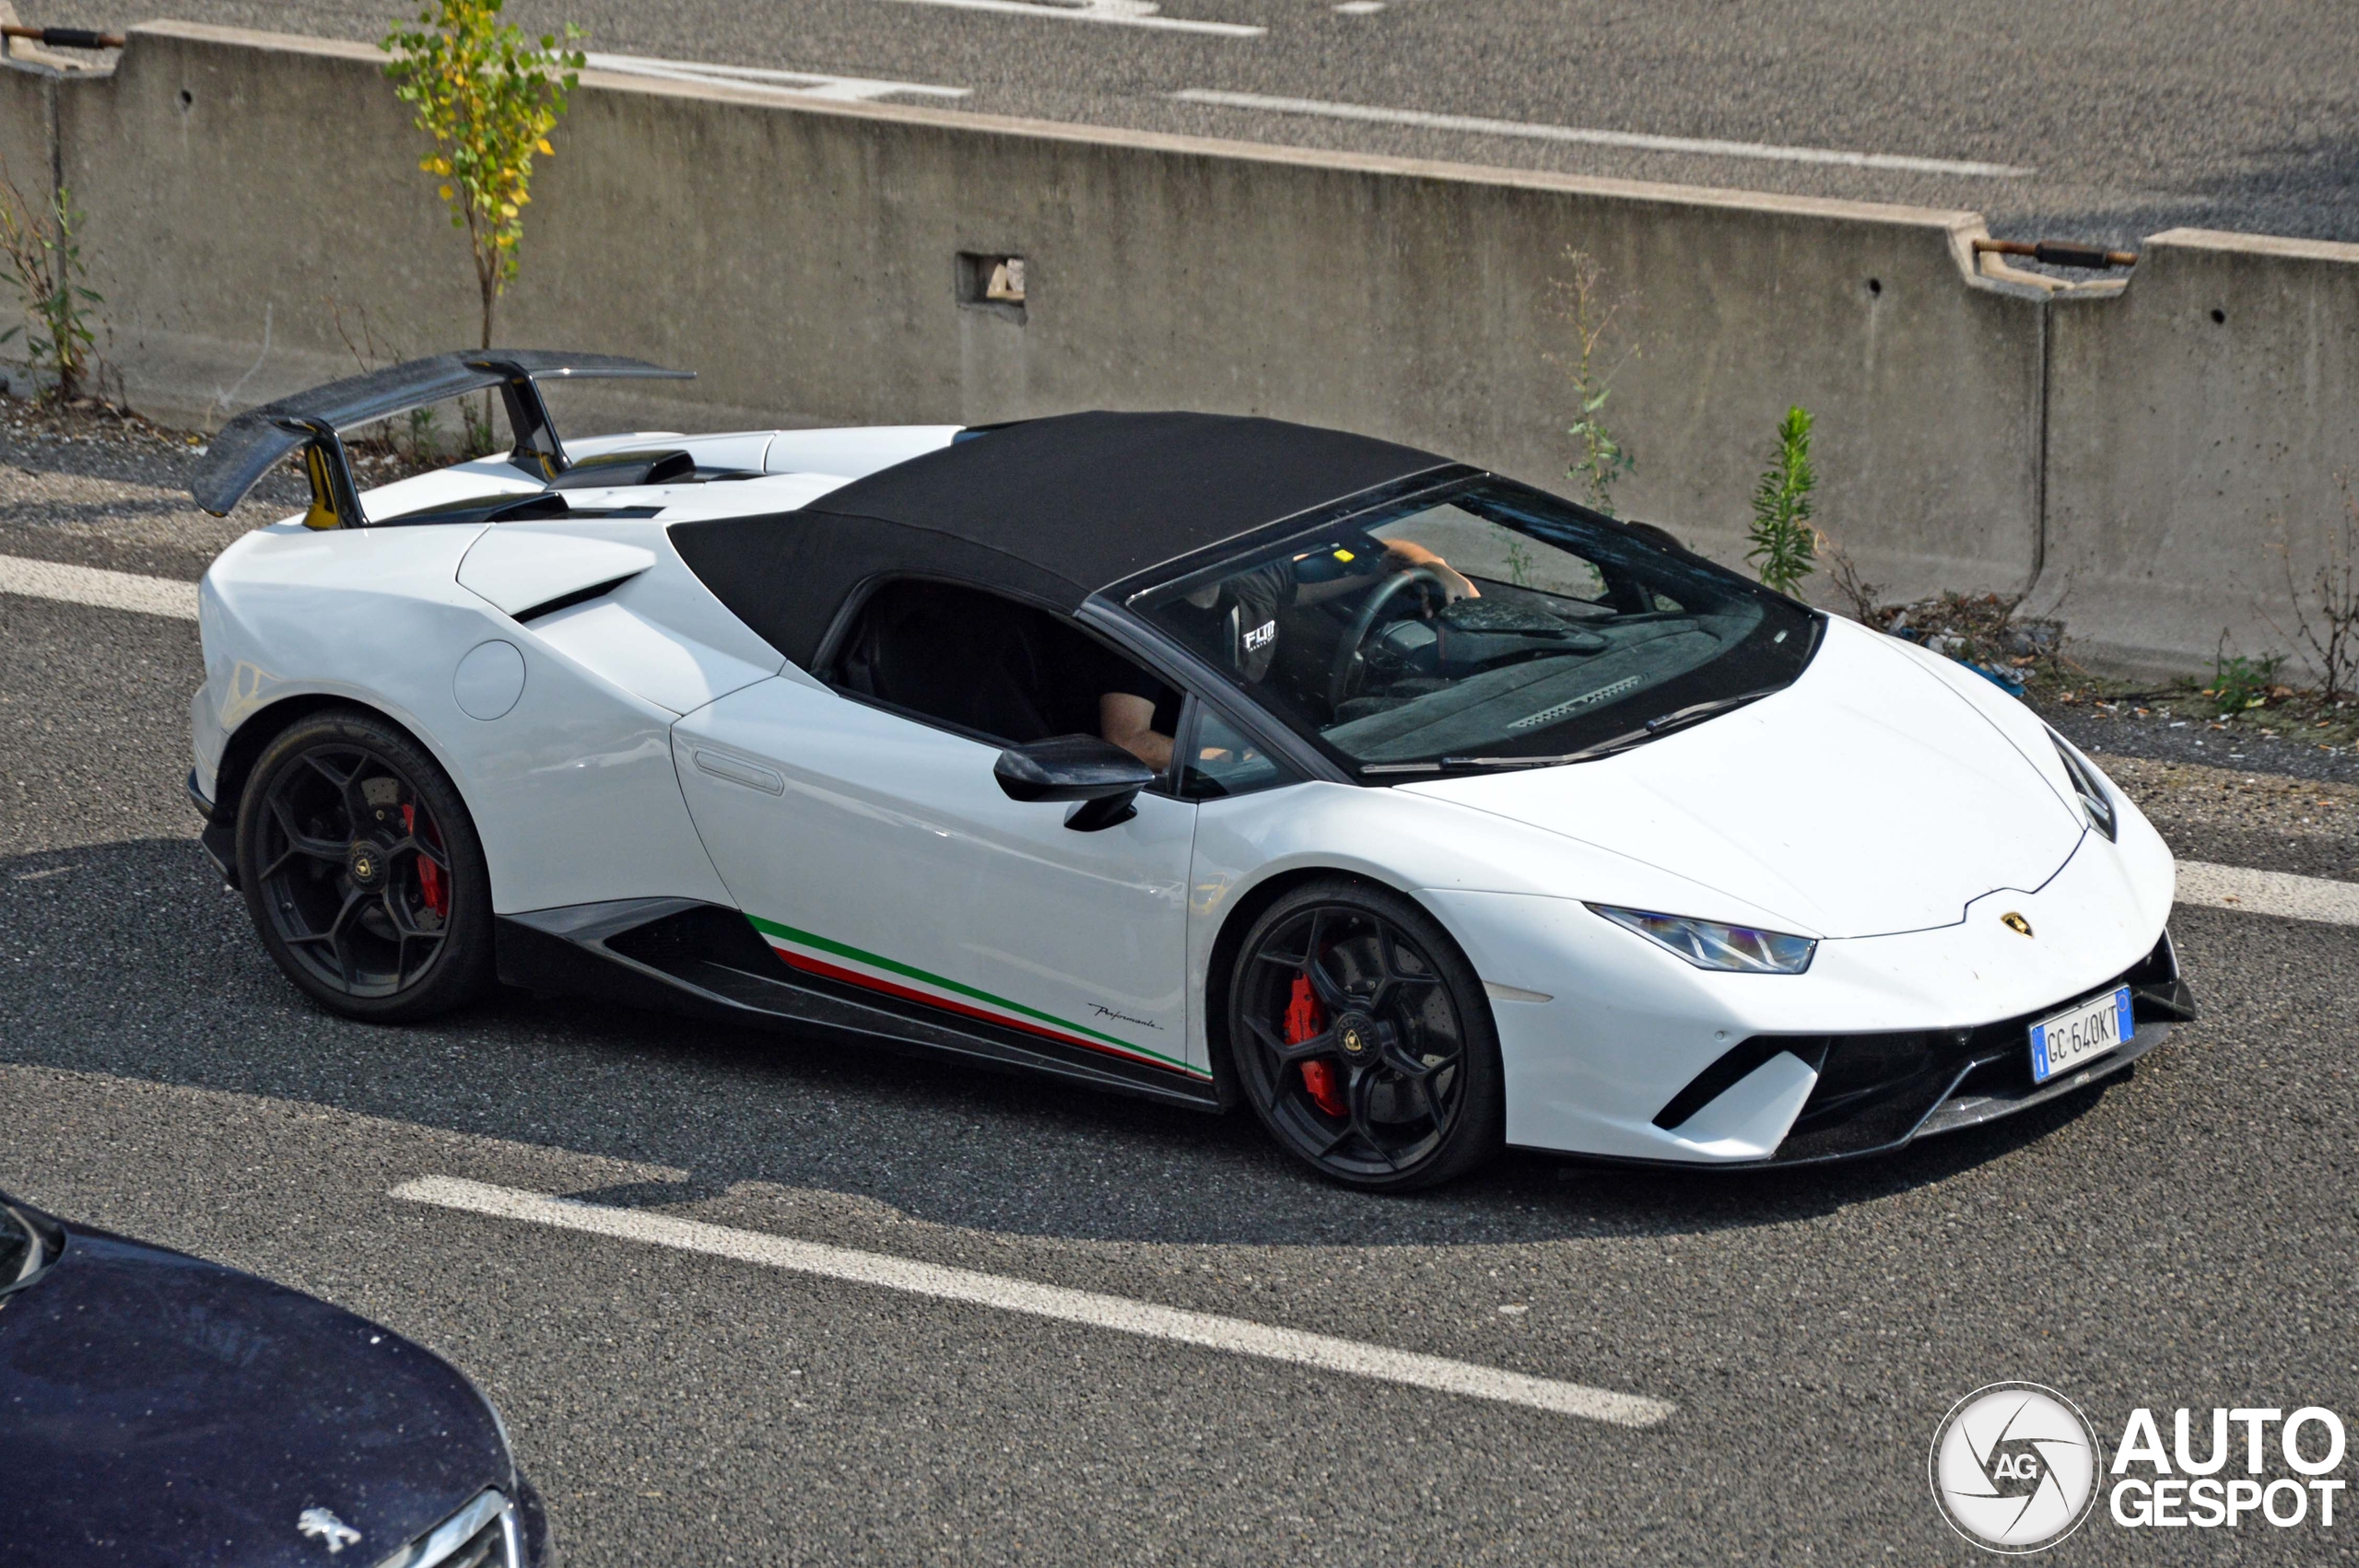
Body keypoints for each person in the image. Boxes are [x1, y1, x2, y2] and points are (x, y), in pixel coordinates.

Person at [1098, 538, 1478, 769]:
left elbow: (1381, 558)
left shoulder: (1258, 579)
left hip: (1285, 744)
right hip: (1208, 778)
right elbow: (1127, 740)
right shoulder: (1144, 624)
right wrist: (1223, 759)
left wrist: (1432, 567)